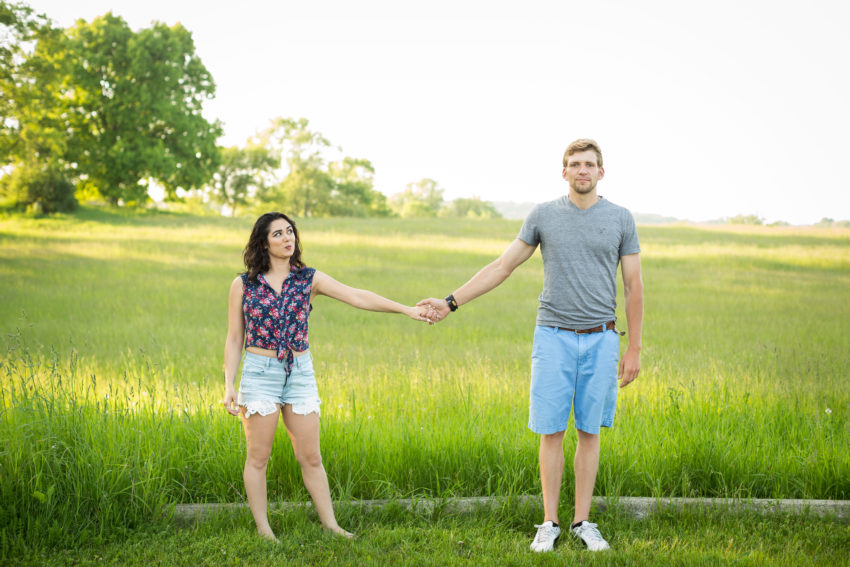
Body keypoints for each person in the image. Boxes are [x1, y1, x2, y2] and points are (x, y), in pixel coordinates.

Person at [418, 139, 643, 553]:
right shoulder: (544, 215)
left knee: (590, 431)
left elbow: (633, 284)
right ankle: (550, 523)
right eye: (574, 164)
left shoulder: (620, 219)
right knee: (551, 430)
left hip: (602, 338)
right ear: (564, 172)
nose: (582, 170)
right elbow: (503, 266)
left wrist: (634, 348)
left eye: (589, 164)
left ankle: (583, 522)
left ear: (601, 172)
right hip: (553, 336)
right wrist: (450, 303)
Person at [222, 212, 430, 540]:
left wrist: (406, 309)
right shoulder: (244, 284)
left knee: (311, 456)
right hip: (259, 374)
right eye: (278, 234)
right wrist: (228, 384)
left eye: (290, 231)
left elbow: (357, 295)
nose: (287, 238)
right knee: (258, 457)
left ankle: (331, 526)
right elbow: (235, 338)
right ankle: (264, 531)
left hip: (300, 372)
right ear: (263, 242)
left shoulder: (309, 279)